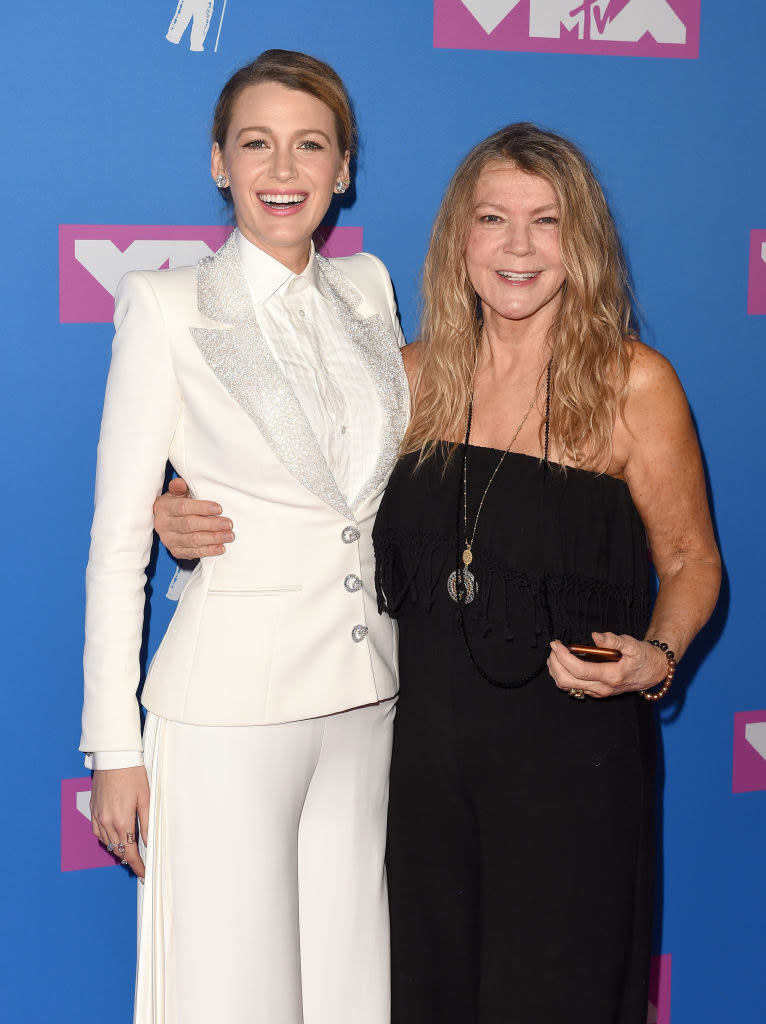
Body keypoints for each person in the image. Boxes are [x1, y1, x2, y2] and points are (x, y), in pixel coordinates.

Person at [155, 123, 721, 1023]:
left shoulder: (633, 384)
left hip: (572, 767)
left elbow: (692, 558)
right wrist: (179, 514)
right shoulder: (404, 380)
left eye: (547, 221)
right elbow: (308, 514)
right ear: (460, 238)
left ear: (584, 244)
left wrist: (659, 654)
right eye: (494, 218)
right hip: (413, 767)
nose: (520, 246)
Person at [81, 49, 409, 1024]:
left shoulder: (369, 291)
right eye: (255, 143)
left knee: (352, 990)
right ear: (219, 162)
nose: (283, 168)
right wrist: (114, 748)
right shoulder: (165, 305)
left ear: (342, 168)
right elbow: (114, 545)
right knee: (230, 997)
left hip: (365, 698)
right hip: (226, 707)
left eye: (310, 145)